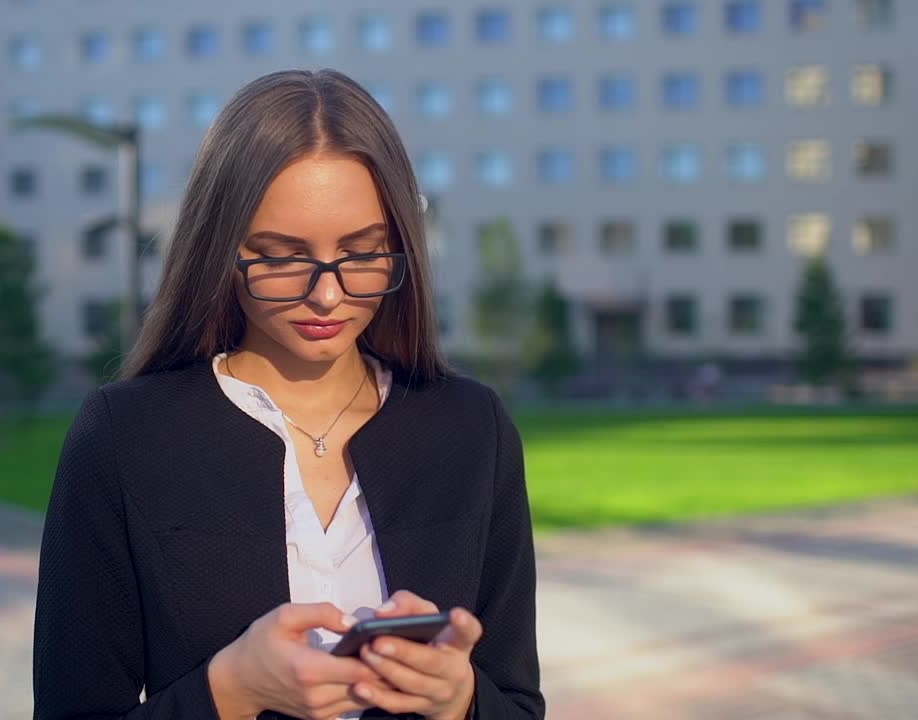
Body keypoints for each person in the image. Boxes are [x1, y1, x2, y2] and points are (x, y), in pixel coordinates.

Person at [32, 68, 543, 720]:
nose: (326, 295)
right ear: (220, 249)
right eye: (280, 256)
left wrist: (461, 700)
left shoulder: (473, 431)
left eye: (362, 253)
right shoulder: (123, 438)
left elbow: (519, 705)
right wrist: (227, 694)